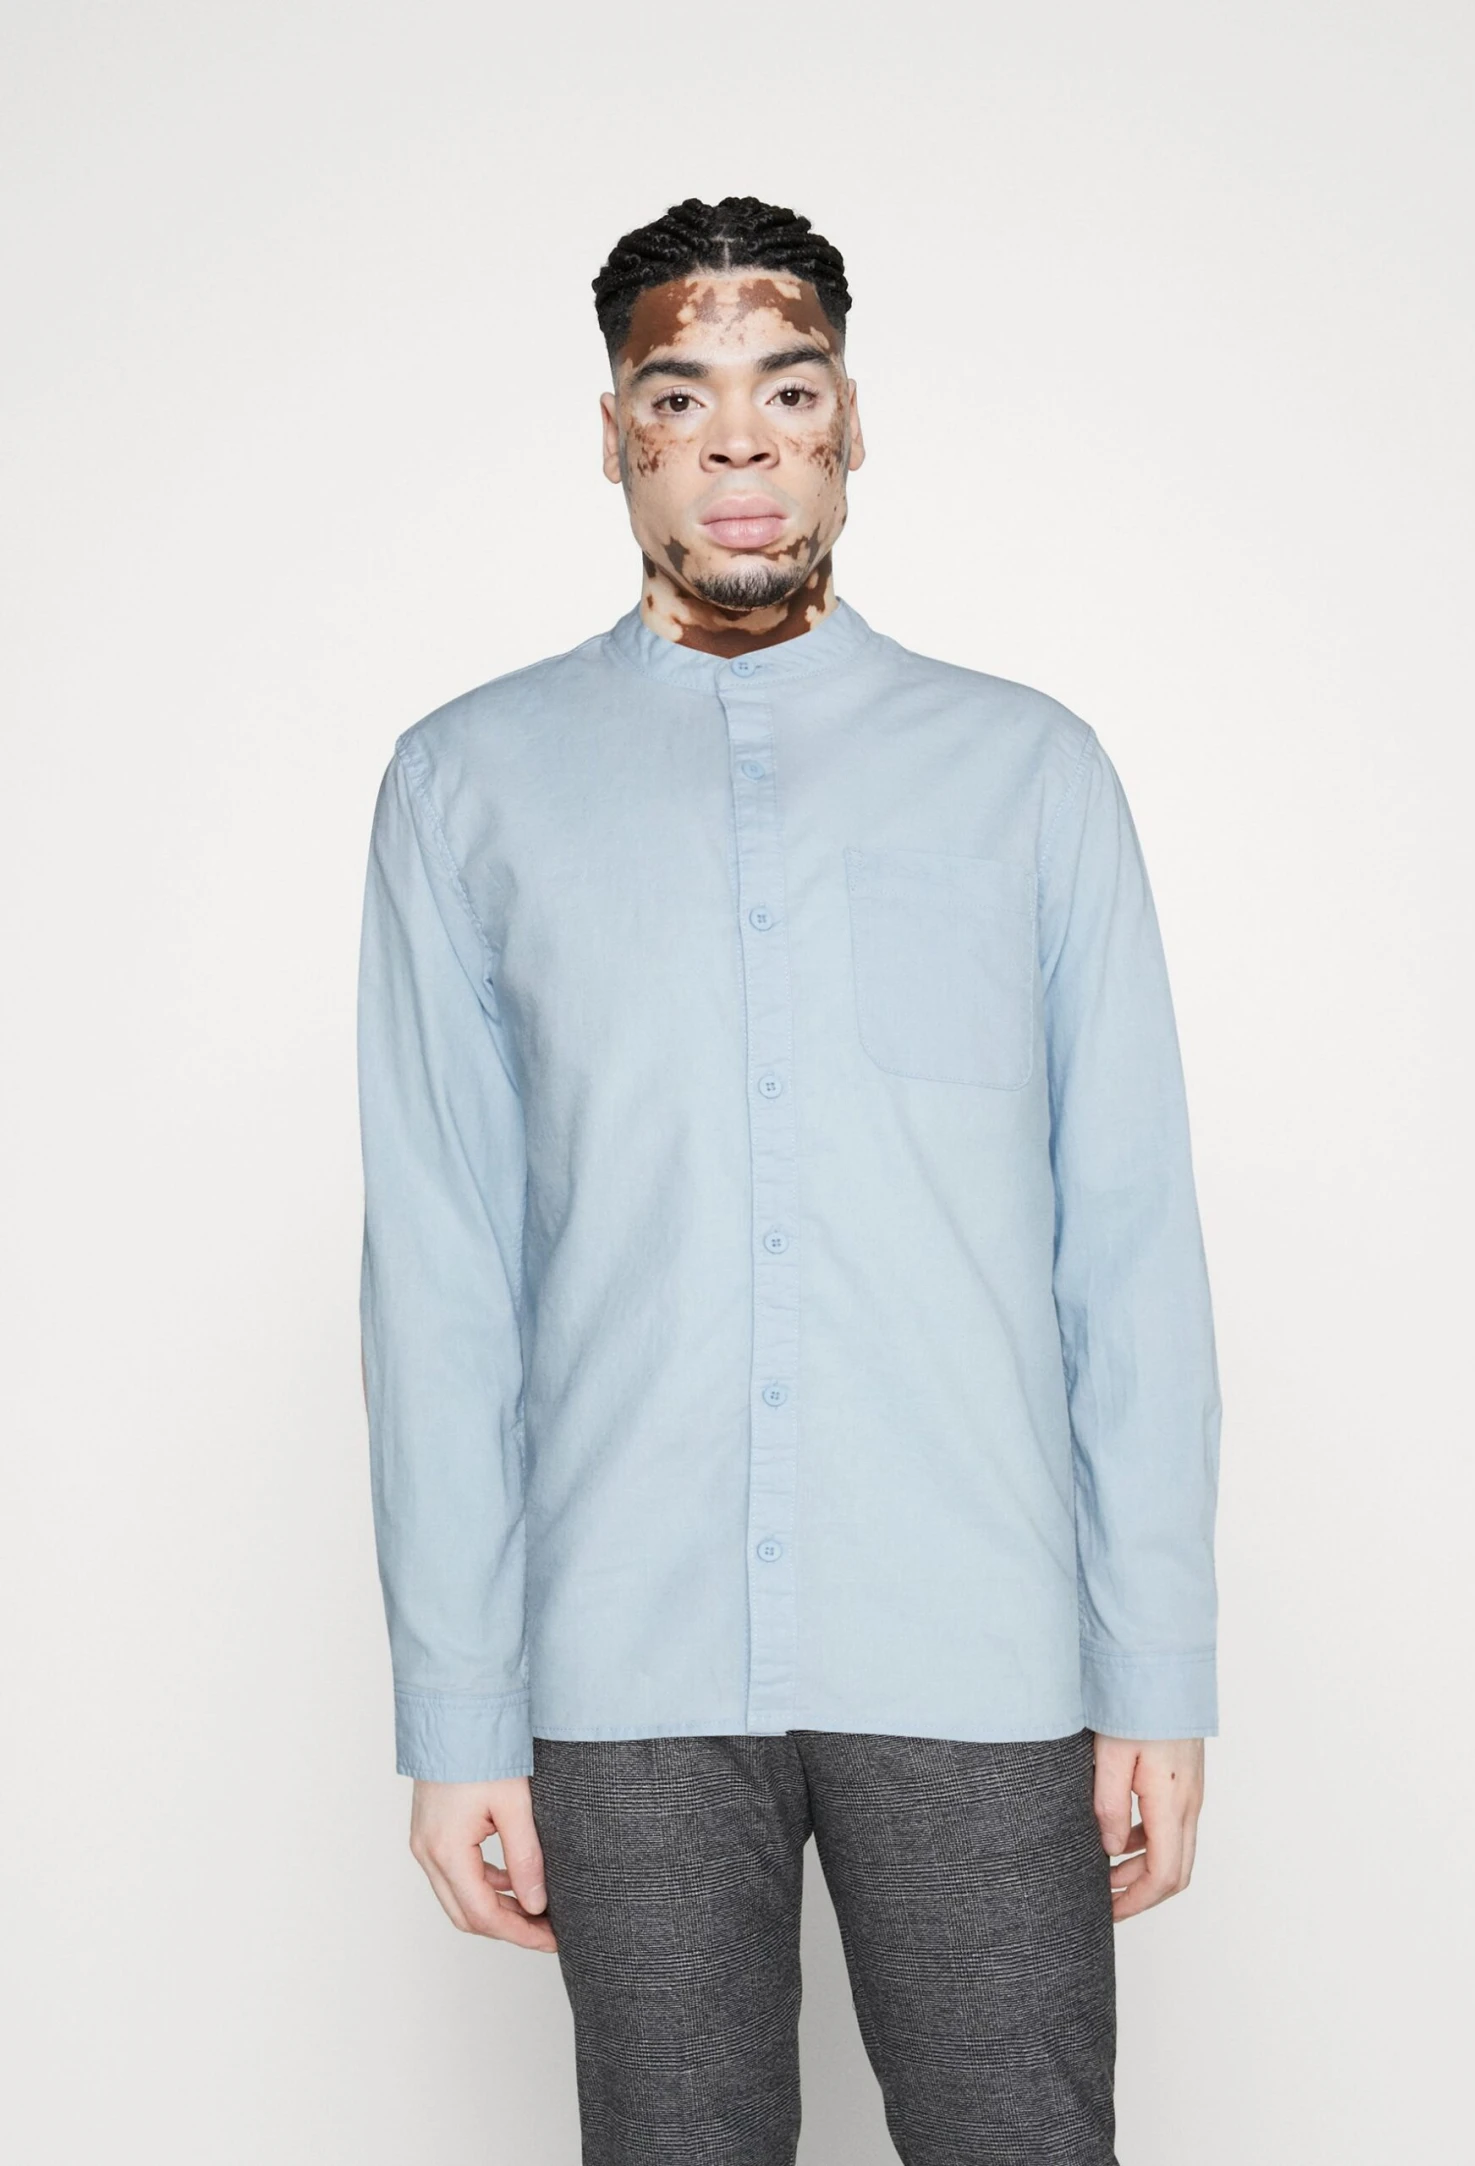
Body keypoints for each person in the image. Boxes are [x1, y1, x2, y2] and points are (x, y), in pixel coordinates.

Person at [355, 194, 1223, 2165]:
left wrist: (1156, 1669)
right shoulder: (466, 787)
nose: (738, 441)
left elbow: (1130, 1255)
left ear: (852, 423)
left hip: (983, 1647)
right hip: (624, 1664)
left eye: (788, 389)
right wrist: (459, 1715)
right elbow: (443, 1282)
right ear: (614, 435)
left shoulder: (1030, 774)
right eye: (682, 395)